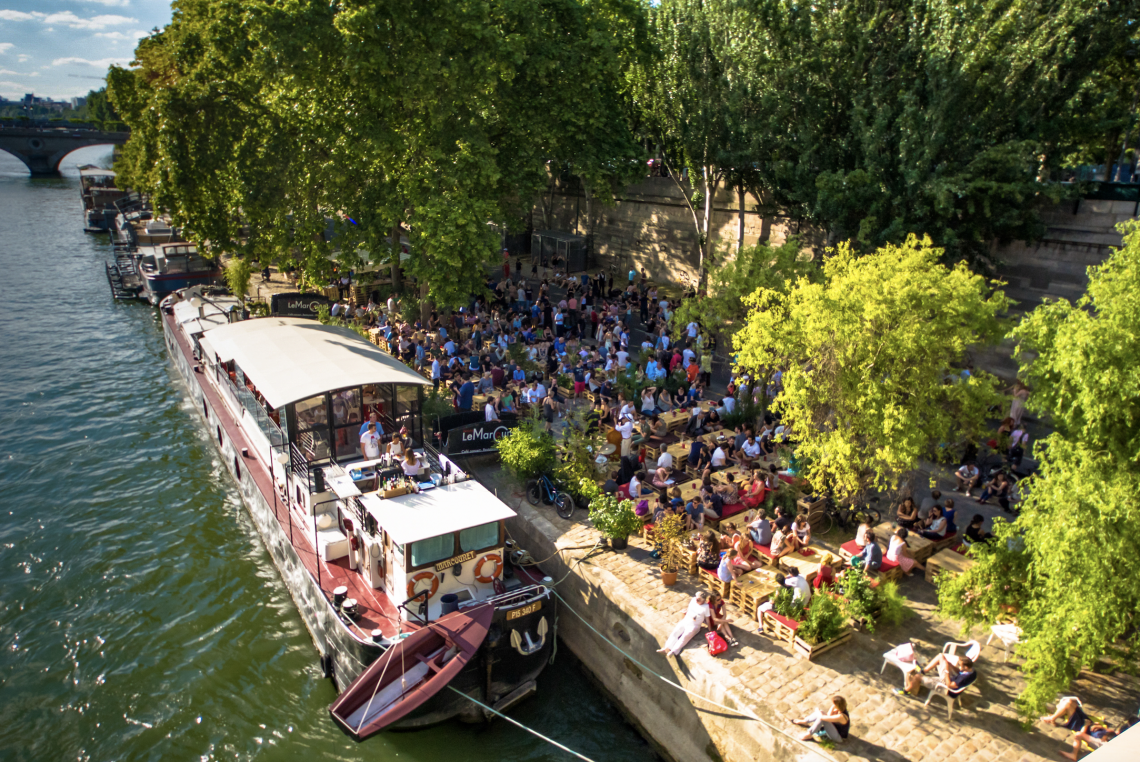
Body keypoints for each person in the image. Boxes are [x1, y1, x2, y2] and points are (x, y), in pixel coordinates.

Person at [657, 591, 711, 657]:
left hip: (694, 625)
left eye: (699, 600)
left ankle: (674, 651)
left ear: (703, 600)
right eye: (697, 598)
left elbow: (708, 619)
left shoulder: (706, 607)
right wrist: (683, 617)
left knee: (685, 636)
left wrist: (710, 629)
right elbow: (688, 609)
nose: (697, 600)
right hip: (686, 620)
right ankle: (666, 648)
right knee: (675, 632)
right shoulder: (693, 600)